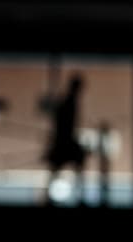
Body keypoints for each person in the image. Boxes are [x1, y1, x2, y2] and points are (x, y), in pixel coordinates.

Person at [44, 74, 87, 204]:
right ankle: (77, 196)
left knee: (72, 164)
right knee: (58, 168)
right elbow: (61, 125)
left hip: (64, 141)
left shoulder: (69, 101)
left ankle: (79, 196)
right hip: (63, 141)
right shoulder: (68, 102)